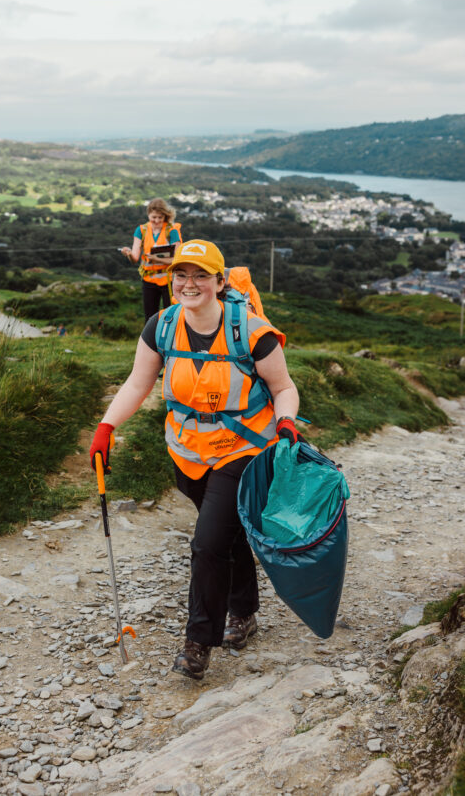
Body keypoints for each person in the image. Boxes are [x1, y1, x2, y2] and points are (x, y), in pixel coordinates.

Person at [90, 239, 300, 680]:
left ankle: (198, 643)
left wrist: (285, 425)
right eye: (181, 275)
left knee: (206, 543)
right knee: (226, 532)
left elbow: (283, 388)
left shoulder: (252, 332)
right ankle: (244, 611)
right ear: (171, 281)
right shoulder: (161, 327)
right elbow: (137, 383)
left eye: (201, 275)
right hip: (187, 453)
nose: (190, 284)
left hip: (243, 450)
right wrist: (107, 427)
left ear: (220, 282)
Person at [121, 198, 181, 322]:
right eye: (154, 217)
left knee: (171, 316)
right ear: (148, 214)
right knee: (150, 317)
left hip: (168, 280)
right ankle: (150, 341)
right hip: (149, 280)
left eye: (160, 217)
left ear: (165, 216)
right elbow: (135, 258)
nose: (157, 220)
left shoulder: (172, 230)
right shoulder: (141, 230)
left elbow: (178, 259)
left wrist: (156, 259)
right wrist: (128, 253)